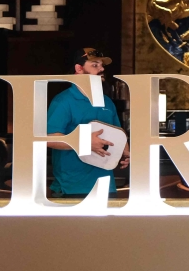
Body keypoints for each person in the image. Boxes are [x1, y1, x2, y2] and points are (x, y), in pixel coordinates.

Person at [46, 48, 129, 197]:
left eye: (102, 65)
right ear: (79, 68)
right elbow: (48, 139)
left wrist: (124, 152)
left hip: (106, 186)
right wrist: (84, 141)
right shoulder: (63, 101)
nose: (102, 69)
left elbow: (118, 134)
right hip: (72, 186)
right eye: (95, 65)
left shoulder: (107, 101)